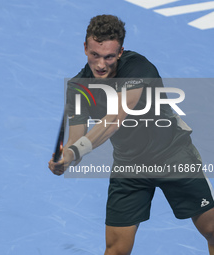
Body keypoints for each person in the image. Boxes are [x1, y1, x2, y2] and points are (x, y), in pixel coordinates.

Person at [48, 14, 214, 255]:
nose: (101, 64)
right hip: (129, 165)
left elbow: (114, 120)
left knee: (211, 229)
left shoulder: (138, 67)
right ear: (85, 48)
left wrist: (75, 151)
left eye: (109, 57)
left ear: (121, 52)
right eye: (95, 55)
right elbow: (76, 139)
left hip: (174, 155)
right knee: (115, 249)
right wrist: (68, 159)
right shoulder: (79, 88)